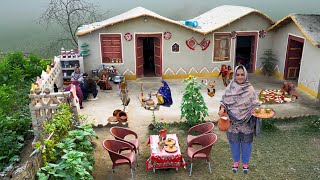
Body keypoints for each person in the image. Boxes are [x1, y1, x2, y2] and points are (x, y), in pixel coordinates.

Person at [218, 65, 261, 174]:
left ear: (245, 75)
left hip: (247, 121)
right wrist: (222, 109)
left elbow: (256, 103)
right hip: (232, 122)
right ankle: (236, 162)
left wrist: (257, 110)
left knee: (247, 143)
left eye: (242, 74)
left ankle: (245, 164)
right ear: (234, 75)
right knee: (234, 143)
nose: (240, 77)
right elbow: (224, 101)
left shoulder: (250, 89)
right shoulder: (230, 87)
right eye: (238, 75)